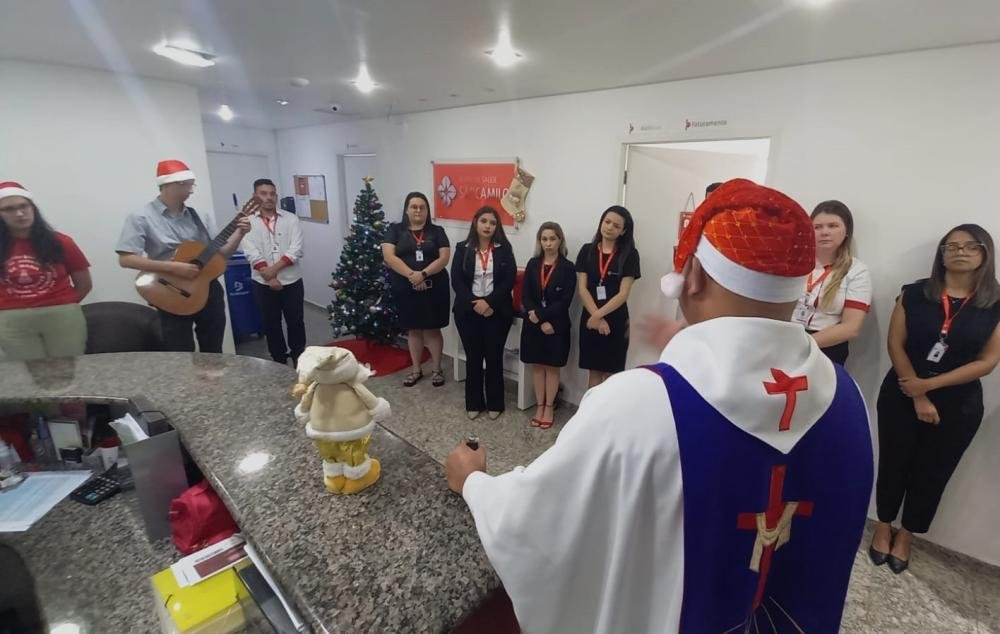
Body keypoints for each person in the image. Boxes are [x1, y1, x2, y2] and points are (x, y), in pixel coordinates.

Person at [446, 179, 873, 633]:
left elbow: (539, 520)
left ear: (694, 276)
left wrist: (474, 482)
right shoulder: (848, 399)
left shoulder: (638, 405)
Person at [871, 224, 1000, 573]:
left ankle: (907, 534)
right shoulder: (913, 293)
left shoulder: (995, 304)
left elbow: (988, 362)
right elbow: (895, 344)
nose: (960, 252)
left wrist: (928, 386)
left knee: (933, 473)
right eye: (951, 246)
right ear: (941, 254)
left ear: (985, 253)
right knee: (893, 463)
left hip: (959, 404)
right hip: (902, 392)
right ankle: (883, 526)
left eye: (970, 246)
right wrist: (916, 393)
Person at [116, 160, 250, 353]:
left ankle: (213, 374)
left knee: (213, 348)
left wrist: (240, 233)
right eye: (186, 185)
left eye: (191, 185)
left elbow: (221, 255)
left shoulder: (200, 216)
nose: (190, 190)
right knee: (179, 350)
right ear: (168, 185)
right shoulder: (140, 217)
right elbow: (126, 259)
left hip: (207, 287)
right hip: (169, 289)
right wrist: (173, 267)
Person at [0, 182, 92, 360]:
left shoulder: (61, 242)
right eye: (9, 209)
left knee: (67, 369)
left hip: (62, 316)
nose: (19, 213)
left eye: (23, 206)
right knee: (25, 372)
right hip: (11, 320)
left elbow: (84, 284)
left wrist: (62, 305)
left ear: (33, 207)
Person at [451, 206, 516, 420]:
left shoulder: (504, 249)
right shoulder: (462, 248)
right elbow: (457, 281)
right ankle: (474, 402)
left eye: (493, 222)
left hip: (496, 311)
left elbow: (508, 281)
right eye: (484, 221)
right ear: (475, 222)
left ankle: (496, 403)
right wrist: (476, 304)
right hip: (468, 312)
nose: (488, 226)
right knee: (474, 357)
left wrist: (488, 303)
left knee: (494, 357)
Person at [381, 192, 450, 386]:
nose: (418, 210)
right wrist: (412, 275)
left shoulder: (437, 231)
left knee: (432, 330)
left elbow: (444, 258)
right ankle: (416, 369)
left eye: (422, 207)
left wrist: (423, 274)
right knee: (413, 330)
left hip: (434, 288)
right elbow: (389, 257)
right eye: (414, 206)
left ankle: (436, 370)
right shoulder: (395, 230)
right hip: (406, 287)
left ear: (427, 210)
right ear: (406, 209)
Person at [791, 200, 872, 364]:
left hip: (826, 349)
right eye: (818, 227)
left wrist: (803, 345)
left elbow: (851, 327)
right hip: (786, 339)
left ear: (847, 231)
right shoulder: (793, 263)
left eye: (833, 226)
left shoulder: (857, 271)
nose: (825, 232)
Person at [240, 178, 306, 366]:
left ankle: (300, 359)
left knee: (296, 322)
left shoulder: (291, 219)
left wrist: (273, 271)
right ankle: (278, 362)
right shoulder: (247, 222)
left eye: (272, 194)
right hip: (262, 283)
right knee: (271, 323)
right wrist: (268, 277)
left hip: (291, 280)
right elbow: (251, 252)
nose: (269, 197)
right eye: (263, 193)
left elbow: (296, 249)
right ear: (255, 196)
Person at [576, 205, 640, 388]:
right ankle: (592, 407)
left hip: (615, 320)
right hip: (590, 315)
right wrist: (595, 316)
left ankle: (609, 407)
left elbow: (623, 294)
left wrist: (597, 316)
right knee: (594, 371)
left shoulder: (630, 255)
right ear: (601, 223)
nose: (610, 227)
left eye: (616, 226)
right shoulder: (587, 250)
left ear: (623, 231)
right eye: (607, 222)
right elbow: (582, 289)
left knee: (612, 374)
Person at [519, 222, 575, 429]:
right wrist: (538, 318)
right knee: (537, 366)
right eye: (544, 239)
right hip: (533, 323)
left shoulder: (568, 267)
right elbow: (526, 295)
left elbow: (565, 301)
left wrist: (543, 317)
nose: (548, 243)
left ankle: (549, 407)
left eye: (552, 239)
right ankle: (539, 405)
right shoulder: (533, 264)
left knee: (551, 368)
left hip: (556, 325)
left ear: (560, 240)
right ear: (539, 241)